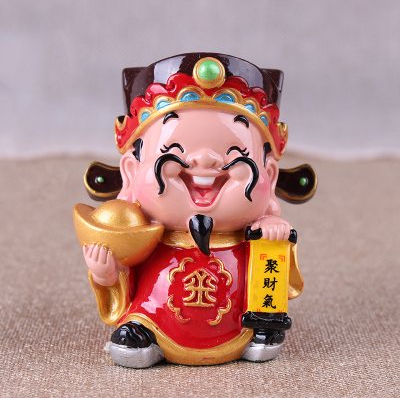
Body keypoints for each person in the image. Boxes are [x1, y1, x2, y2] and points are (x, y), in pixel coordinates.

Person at [73, 53, 316, 368]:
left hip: (239, 322)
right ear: (131, 171)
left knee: (262, 295)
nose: (205, 160)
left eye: (236, 152)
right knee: (140, 320)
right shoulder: (145, 234)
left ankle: (258, 331)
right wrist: (106, 273)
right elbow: (124, 270)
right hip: (154, 315)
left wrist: (273, 231)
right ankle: (143, 330)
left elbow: (281, 276)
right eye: (174, 150)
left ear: (268, 176)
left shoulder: (253, 233)